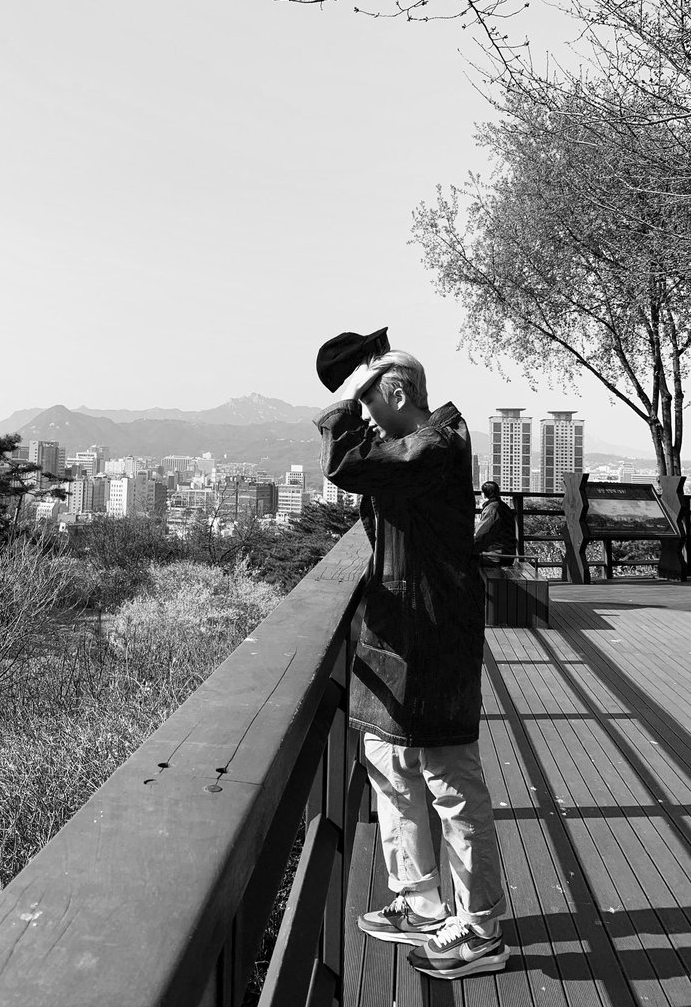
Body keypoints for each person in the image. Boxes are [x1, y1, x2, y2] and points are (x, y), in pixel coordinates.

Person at [314, 347, 508, 980]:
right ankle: (421, 901)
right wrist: (362, 384)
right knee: (390, 762)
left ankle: (480, 929)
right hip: (403, 627)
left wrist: (347, 401)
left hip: (434, 632)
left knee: (452, 780)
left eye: (369, 399)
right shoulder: (419, 445)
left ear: (396, 394)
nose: (365, 414)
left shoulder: (435, 446)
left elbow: (348, 465)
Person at [473, 481, 518, 567]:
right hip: (509, 554)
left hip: (496, 555)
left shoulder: (491, 508)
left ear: (484, 494)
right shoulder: (505, 507)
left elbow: (479, 533)